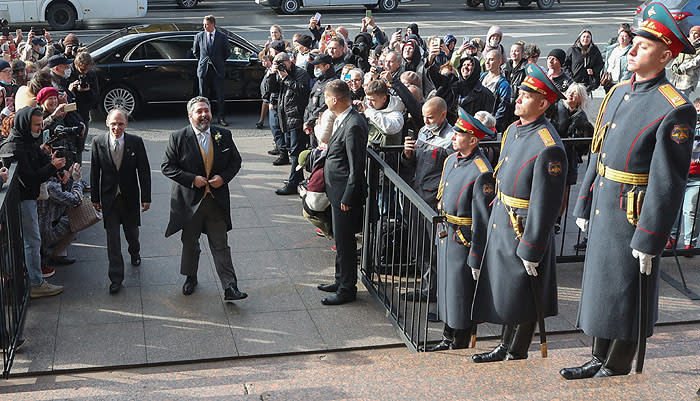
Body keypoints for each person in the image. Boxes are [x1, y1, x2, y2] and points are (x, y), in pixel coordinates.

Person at [562, 3, 697, 379]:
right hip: (606, 201)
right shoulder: (619, 92)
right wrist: (584, 202)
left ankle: (617, 364)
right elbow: (597, 152)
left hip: (633, 212)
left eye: (644, 44)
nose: (633, 48)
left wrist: (651, 236)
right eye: (634, 41)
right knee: (603, 286)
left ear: (666, 55)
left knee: (626, 289)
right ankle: (597, 355)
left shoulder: (674, 108)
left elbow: (668, 181)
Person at [471, 63, 567, 363]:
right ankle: (504, 343)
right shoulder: (513, 130)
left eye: (526, 95)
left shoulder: (549, 145)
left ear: (542, 103)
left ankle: (516, 349)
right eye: (520, 93)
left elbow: (546, 202)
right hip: (505, 215)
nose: (518, 98)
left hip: (524, 226)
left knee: (525, 290)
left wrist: (533, 246)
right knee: (509, 287)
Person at [161, 96, 247, 302]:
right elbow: (167, 166)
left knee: (220, 244)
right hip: (190, 203)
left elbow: (236, 161)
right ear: (190, 115)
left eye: (206, 111)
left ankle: (230, 287)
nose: (204, 115)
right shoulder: (178, 137)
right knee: (190, 243)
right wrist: (192, 179)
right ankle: (191, 277)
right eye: (199, 111)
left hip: (215, 201)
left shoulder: (223, 135)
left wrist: (223, 178)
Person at [427, 108, 496, 351]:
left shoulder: (481, 171)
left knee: (460, 293)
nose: (454, 136)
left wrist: (477, 257)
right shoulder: (451, 160)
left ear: (473, 140)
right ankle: (447, 336)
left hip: (463, 239)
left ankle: (458, 341)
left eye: (459, 133)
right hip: (446, 233)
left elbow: (483, 219)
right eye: (455, 132)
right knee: (448, 289)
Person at [2, 106, 65, 298]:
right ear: (24, 124)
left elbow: (38, 161)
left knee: (30, 240)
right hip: (22, 200)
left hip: (28, 198)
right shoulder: (14, 147)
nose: (40, 128)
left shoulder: (26, 141)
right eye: (36, 125)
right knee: (31, 240)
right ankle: (35, 283)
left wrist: (53, 165)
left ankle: (31, 279)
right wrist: (52, 167)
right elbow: (30, 178)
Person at [317, 79, 368, 305]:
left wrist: (348, 196)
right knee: (339, 239)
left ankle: (347, 288)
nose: (325, 101)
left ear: (335, 99)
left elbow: (356, 166)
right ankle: (340, 279)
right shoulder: (342, 118)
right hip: (335, 190)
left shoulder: (354, 124)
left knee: (346, 243)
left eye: (326, 97)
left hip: (345, 194)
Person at [91, 109, 151, 294]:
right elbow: (95, 172)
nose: (117, 128)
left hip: (130, 196)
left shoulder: (136, 142)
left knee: (131, 232)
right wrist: (95, 198)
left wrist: (146, 198)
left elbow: (144, 171)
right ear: (107, 123)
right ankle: (116, 278)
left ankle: (135, 252)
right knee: (113, 239)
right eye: (113, 124)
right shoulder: (98, 142)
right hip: (109, 198)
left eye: (121, 124)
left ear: (127, 124)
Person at [400, 97, 454, 302]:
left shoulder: (451, 138)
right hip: (418, 194)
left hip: (435, 200)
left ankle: (442, 293)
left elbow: (453, 171)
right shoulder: (423, 131)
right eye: (423, 116)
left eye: (430, 117)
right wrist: (407, 154)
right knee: (420, 245)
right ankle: (428, 288)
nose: (425, 120)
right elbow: (413, 164)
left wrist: (443, 198)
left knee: (437, 248)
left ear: (443, 115)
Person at [549, 83, 593, 234]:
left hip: (569, 157)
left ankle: (558, 221)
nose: (571, 95)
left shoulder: (581, 116)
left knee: (565, 189)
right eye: (569, 92)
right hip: (553, 154)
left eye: (575, 93)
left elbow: (585, 141)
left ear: (580, 98)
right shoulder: (556, 107)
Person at [269, 52, 311, 195]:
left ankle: (293, 183)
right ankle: (297, 179)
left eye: (282, 62)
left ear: (289, 61)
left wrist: (286, 77)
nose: (281, 65)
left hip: (297, 117)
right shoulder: (278, 73)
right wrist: (271, 74)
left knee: (295, 151)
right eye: (277, 63)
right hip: (285, 117)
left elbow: (303, 91)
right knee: (292, 150)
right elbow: (271, 90)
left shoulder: (300, 73)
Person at [37, 163, 83, 268]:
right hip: (45, 231)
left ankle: (53, 253)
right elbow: (76, 199)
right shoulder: (51, 186)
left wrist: (69, 178)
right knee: (76, 221)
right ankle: (55, 255)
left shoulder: (45, 181)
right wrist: (77, 180)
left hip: (39, 228)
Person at [669, 97, 700, 250]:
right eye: (697, 113)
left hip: (697, 177)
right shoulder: (685, 127)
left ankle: (690, 242)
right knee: (674, 208)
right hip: (681, 174)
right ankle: (672, 237)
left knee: (691, 210)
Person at [193, 15, 230, 126]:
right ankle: (205, 119)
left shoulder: (222, 37)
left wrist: (218, 62)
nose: (204, 26)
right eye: (204, 24)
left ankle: (221, 118)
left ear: (213, 24)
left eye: (207, 24)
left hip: (217, 70)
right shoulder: (199, 36)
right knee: (203, 96)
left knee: (220, 96)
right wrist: (203, 62)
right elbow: (196, 52)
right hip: (204, 70)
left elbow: (226, 52)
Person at [354, 79, 404, 146]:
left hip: (385, 154)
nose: (369, 103)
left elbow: (389, 128)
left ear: (384, 99)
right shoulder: (369, 109)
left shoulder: (396, 114)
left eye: (373, 100)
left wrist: (368, 111)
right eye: (368, 99)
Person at [480, 49, 512, 132]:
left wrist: (491, 125)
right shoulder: (481, 77)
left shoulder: (503, 84)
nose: (487, 62)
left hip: (491, 126)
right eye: (486, 59)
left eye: (491, 59)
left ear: (499, 62)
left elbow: (502, 110)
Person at [564, 30, 604, 94]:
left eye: (588, 37)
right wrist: (569, 75)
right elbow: (564, 64)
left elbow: (600, 64)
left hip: (587, 83)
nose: (585, 39)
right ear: (579, 38)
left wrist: (593, 70)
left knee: (584, 102)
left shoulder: (594, 50)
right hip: (574, 82)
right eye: (584, 37)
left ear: (591, 39)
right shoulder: (573, 50)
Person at [671, 26, 700, 98]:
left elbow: (696, 62)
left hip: (688, 78)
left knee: (682, 99)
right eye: (691, 33)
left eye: (696, 33)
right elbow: (679, 56)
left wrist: (682, 68)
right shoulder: (686, 44)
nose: (693, 35)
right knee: (671, 96)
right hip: (676, 78)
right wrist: (674, 65)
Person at [602, 27, 633, 93]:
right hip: (610, 82)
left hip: (623, 83)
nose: (622, 38)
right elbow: (607, 65)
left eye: (625, 36)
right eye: (621, 36)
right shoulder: (611, 49)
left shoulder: (632, 51)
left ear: (629, 39)